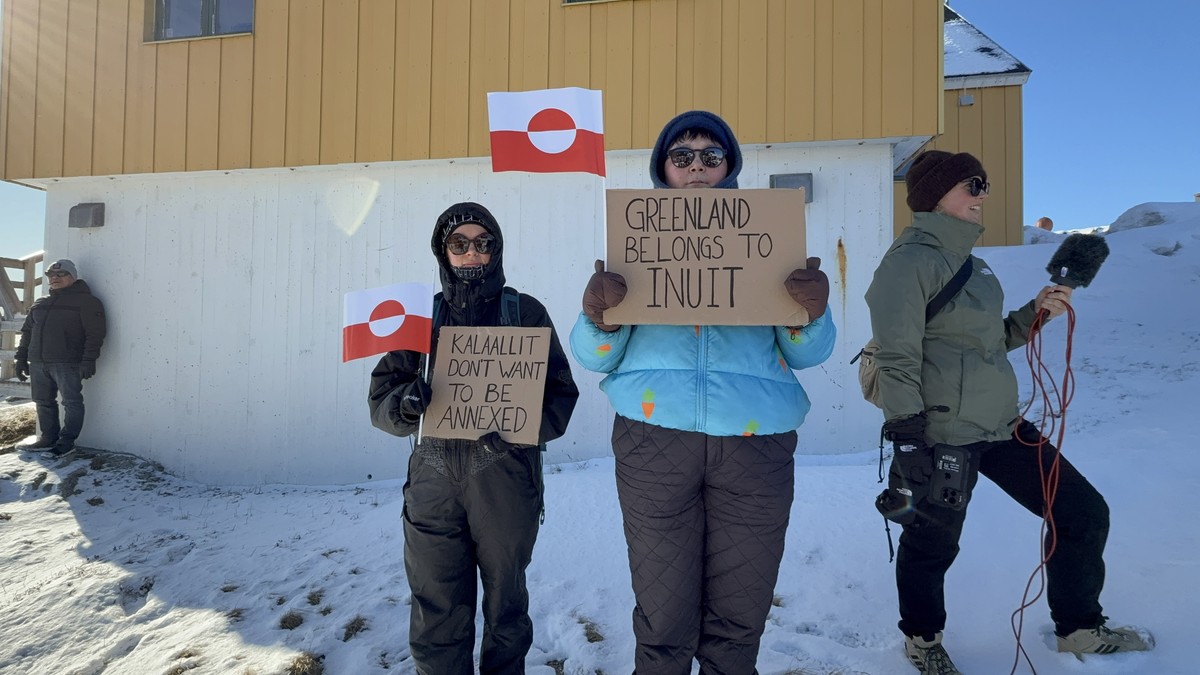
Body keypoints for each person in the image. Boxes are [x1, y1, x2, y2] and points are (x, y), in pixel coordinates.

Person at [570, 110, 837, 674]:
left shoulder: (767, 241)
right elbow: (596, 359)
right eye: (682, 155)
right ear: (663, 168)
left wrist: (810, 314)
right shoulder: (638, 243)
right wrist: (598, 317)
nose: (696, 167)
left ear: (728, 167)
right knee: (663, 612)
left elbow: (806, 355)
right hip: (653, 441)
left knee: (741, 612)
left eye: (711, 157)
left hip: (755, 444)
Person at [868, 150, 1151, 674]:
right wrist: (908, 438)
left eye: (984, 185)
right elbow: (896, 356)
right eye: (972, 185)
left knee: (1083, 512)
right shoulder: (907, 263)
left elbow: (990, 341)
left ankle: (1079, 626)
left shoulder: (975, 267)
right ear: (937, 195)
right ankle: (923, 639)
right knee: (931, 541)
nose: (982, 194)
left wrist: (1036, 313)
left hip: (1001, 426)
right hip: (940, 432)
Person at [368, 202, 579, 675]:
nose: (471, 254)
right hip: (432, 486)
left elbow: (561, 394)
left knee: (506, 608)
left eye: (482, 243)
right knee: (435, 609)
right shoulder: (419, 318)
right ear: (443, 252)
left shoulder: (524, 313)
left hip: (504, 481)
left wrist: (521, 429)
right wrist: (404, 404)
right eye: (458, 244)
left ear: (496, 249)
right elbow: (380, 399)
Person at [14, 259, 106, 456]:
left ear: (73, 276)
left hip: (67, 362)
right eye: (50, 275)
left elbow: (95, 334)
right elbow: (27, 333)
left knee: (71, 402)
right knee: (43, 401)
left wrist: (89, 360)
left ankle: (66, 442)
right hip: (38, 362)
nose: (54, 278)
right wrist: (21, 358)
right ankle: (48, 438)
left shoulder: (87, 302)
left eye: (60, 274)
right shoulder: (40, 303)